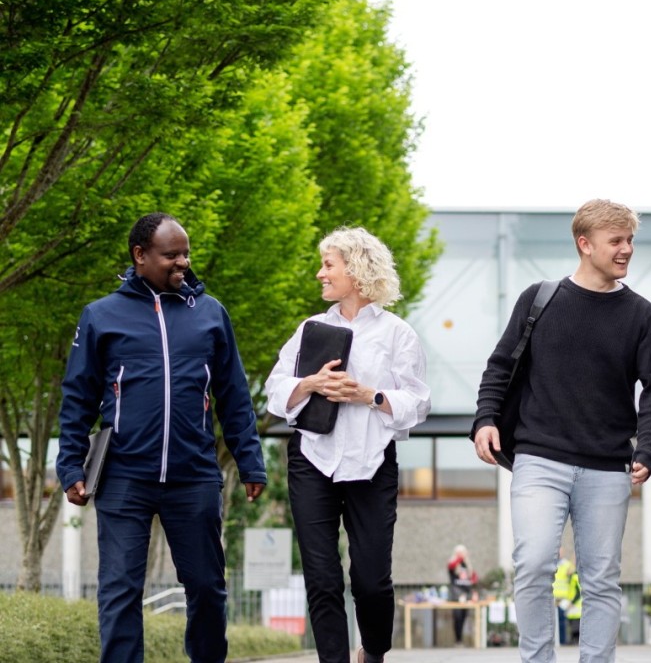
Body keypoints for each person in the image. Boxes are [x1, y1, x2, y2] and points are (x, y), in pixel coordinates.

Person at [55, 212, 267, 663]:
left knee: (208, 588)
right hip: (124, 476)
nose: (183, 263)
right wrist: (70, 466)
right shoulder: (101, 316)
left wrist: (250, 461)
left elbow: (233, 393)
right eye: (172, 255)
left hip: (193, 477)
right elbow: (78, 397)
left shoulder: (211, 314)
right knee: (120, 590)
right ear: (140, 256)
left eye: (186, 253)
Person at [472, 198, 651, 663]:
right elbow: (500, 366)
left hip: (607, 467)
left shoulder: (642, 316)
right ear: (585, 245)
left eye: (630, 240)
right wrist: (485, 419)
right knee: (533, 566)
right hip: (539, 459)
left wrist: (650, 447)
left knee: (602, 578)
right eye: (616, 241)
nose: (626, 249)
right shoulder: (540, 300)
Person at [265, 226, 430, 663]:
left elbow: (419, 401)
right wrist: (310, 384)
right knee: (321, 577)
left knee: (372, 579)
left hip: (371, 463)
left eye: (328, 265)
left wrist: (370, 396)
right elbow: (275, 390)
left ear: (355, 271)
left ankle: (373, 651)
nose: (320, 274)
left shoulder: (398, 334)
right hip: (312, 459)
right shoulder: (310, 329)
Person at [447, 544, 479, 645]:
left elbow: (474, 578)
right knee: (457, 617)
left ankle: (462, 639)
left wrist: (474, 592)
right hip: (457, 594)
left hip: (467, 593)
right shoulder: (453, 563)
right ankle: (458, 640)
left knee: (464, 616)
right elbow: (451, 566)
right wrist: (460, 556)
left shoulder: (467, 564)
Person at [551, 549, 576, 645]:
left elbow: (573, 574)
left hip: (562, 598)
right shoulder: (550, 564)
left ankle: (562, 641)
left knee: (562, 621)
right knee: (551, 621)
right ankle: (553, 641)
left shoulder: (566, 565)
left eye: (560, 551)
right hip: (552, 597)